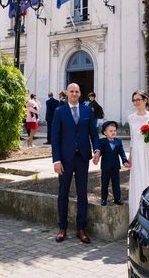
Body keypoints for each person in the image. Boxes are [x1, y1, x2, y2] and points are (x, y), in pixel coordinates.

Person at [51, 83, 100, 244]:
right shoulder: (59, 111)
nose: (74, 93)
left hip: (82, 158)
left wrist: (97, 150)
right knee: (63, 193)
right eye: (71, 91)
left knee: (82, 194)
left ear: (80, 94)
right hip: (65, 159)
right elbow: (55, 138)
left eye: (77, 91)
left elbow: (93, 133)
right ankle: (62, 228)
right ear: (66, 93)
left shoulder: (87, 110)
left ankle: (81, 229)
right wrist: (56, 160)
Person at [127, 90, 149, 222]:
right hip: (136, 154)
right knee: (138, 183)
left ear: (145, 100)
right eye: (134, 100)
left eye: (138, 99)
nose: (136, 102)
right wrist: (130, 158)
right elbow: (132, 139)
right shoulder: (131, 118)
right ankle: (136, 218)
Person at [99, 121, 129, 206]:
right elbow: (99, 152)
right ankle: (104, 199)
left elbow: (122, 153)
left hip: (115, 167)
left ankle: (117, 199)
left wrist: (125, 161)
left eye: (114, 131)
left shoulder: (118, 141)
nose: (113, 132)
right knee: (104, 184)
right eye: (110, 131)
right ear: (105, 133)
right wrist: (96, 157)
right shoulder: (102, 142)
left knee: (116, 184)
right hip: (105, 167)